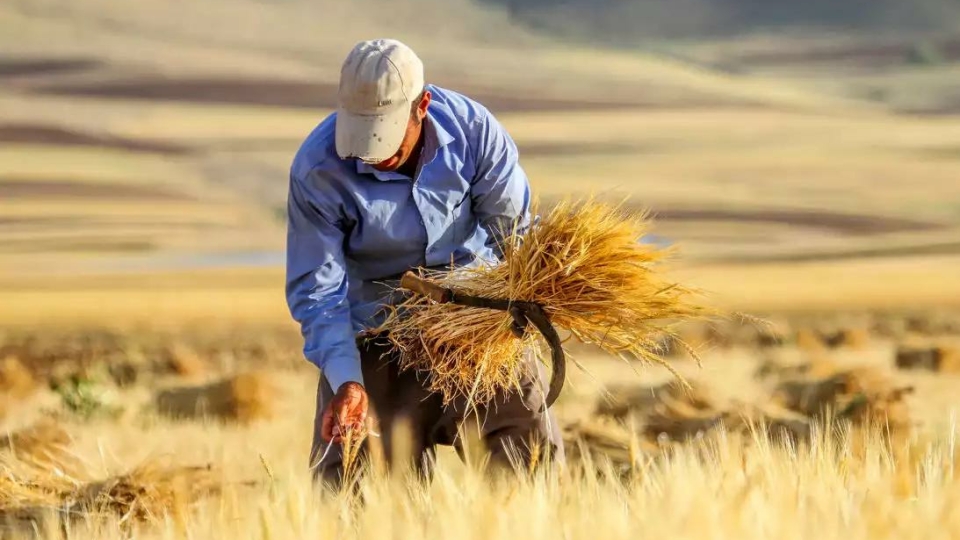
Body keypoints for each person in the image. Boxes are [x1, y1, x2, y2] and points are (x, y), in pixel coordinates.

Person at [285, 38, 564, 486]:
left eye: (385, 133)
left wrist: (530, 303)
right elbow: (318, 291)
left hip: (477, 320)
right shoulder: (317, 169)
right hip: (375, 327)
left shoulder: (476, 133)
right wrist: (346, 382)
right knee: (354, 487)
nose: (372, 152)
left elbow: (514, 238)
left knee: (529, 458)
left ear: (423, 106)